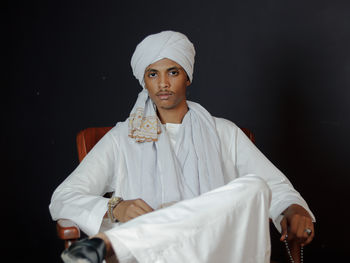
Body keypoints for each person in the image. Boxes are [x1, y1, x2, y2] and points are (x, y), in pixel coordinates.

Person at [49, 31, 315, 263]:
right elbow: (64, 197)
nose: (163, 84)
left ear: (187, 77)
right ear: (145, 80)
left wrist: (293, 209)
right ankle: (127, 240)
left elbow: (275, 187)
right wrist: (115, 207)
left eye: (172, 72)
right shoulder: (122, 138)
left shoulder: (223, 132)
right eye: (153, 74)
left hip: (216, 252)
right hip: (152, 257)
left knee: (255, 186)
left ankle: (110, 243)